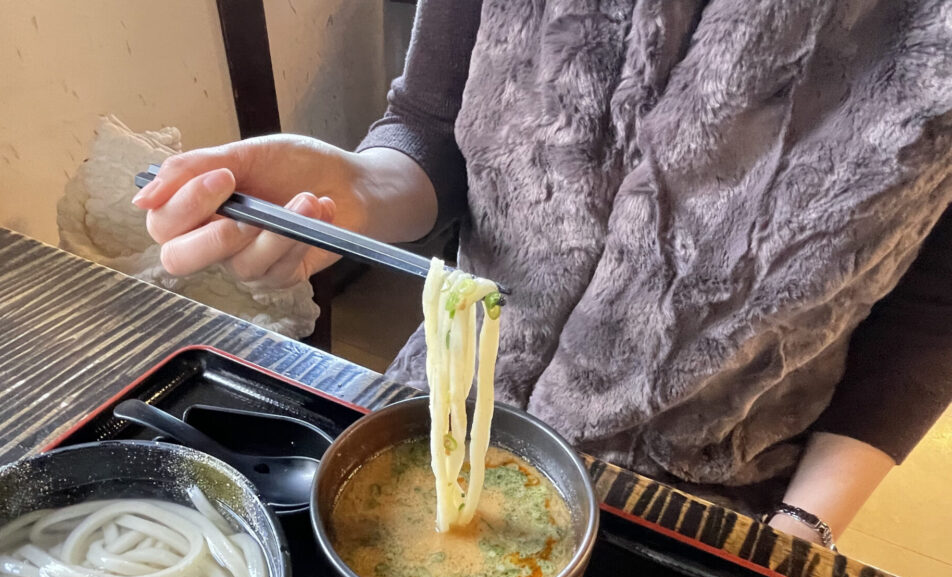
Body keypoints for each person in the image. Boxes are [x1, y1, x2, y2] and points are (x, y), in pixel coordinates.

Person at [133, 0, 952, 548]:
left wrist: (801, 530)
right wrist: (351, 192)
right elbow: (430, 126)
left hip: (712, 489)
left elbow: (932, 306)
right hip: (438, 411)